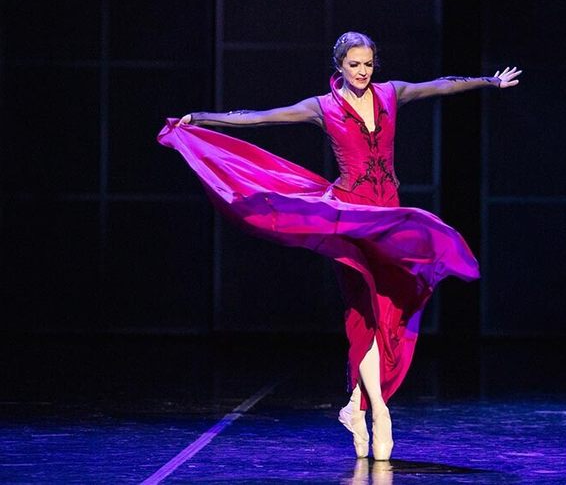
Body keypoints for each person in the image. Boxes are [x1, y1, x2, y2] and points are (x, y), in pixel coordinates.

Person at [162, 31, 521, 461]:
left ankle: (356, 405)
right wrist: (201, 118)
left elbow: (441, 85)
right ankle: (379, 411)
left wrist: (490, 82)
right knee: (363, 313)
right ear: (339, 66)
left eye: (368, 64)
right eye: (354, 64)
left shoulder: (391, 94)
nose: (362, 71)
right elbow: (259, 118)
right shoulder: (323, 107)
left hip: (388, 214)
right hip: (349, 217)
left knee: (390, 312)